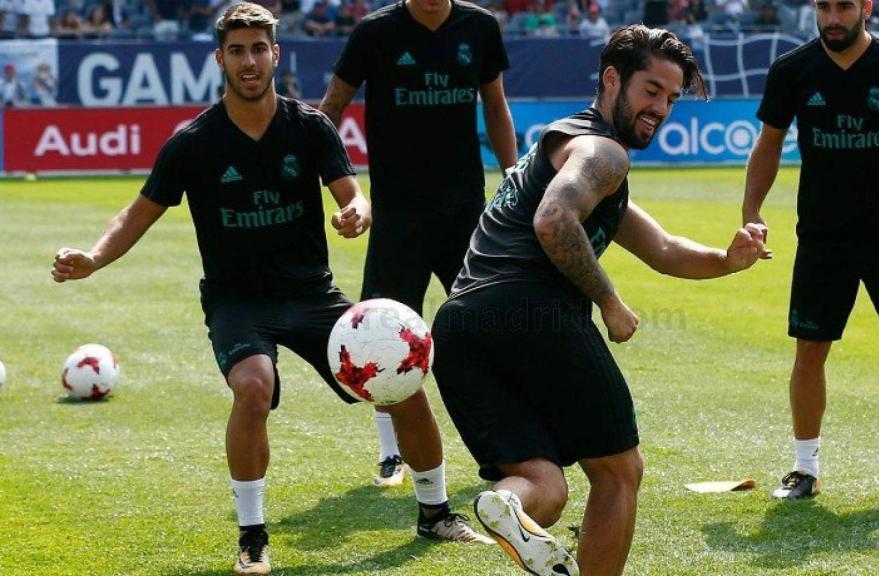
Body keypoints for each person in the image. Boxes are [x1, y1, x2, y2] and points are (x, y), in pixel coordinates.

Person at [51, 4, 492, 575]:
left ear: (275, 54)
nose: (249, 60)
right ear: (220, 59)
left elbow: (350, 193)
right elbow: (137, 213)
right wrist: (94, 258)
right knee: (254, 387)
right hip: (239, 304)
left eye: (259, 48)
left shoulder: (309, 126)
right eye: (237, 50)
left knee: (402, 380)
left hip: (313, 296)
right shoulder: (193, 142)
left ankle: (435, 513)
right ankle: (253, 535)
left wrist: (357, 213)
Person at [432, 24, 767, 576]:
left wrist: (727, 260)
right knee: (618, 471)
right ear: (612, 79)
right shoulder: (602, 151)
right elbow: (553, 219)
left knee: (545, 484)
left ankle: (508, 504)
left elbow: (661, 248)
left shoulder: (567, 151)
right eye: (650, 90)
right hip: (531, 311)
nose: (660, 108)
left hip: (462, 325)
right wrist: (609, 300)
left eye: (671, 98)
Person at [743, 0, 879, 505]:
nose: (833, 17)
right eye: (824, 6)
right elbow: (768, 144)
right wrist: (751, 212)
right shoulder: (792, 70)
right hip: (821, 234)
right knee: (810, 349)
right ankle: (805, 468)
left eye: (844, 6)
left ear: (866, 6)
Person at [318, 0, 517, 489]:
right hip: (397, 215)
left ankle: (508, 449)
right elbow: (329, 111)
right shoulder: (374, 33)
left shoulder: (480, 27)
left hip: (465, 213)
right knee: (378, 336)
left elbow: (495, 103)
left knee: (487, 330)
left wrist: (513, 175)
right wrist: (336, 183)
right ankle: (391, 454)